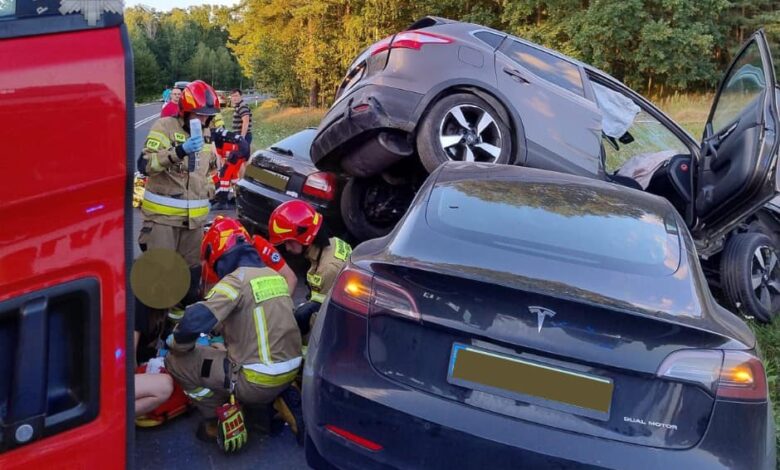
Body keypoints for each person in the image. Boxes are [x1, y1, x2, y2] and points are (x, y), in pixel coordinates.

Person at [165, 216, 303, 451]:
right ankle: (274, 398)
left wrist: (177, 345)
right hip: (290, 370)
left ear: (217, 254)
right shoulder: (273, 276)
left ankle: (214, 417)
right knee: (221, 351)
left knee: (176, 361)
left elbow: (193, 322)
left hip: (255, 381)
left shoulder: (236, 280)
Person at [139, 79, 220, 321]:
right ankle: (149, 339)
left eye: (208, 116)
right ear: (185, 111)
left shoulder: (206, 135)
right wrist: (178, 152)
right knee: (159, 282)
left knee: (189, 283)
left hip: (193, 225)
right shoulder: (164, 127)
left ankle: (176, 334)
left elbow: (211, 171)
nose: (204, 120)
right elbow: (145, 165)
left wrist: (210, 190)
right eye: (200, 114)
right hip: (163, 222)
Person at [264, 200, 352, 334]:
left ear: (304, 235)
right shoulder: (333, 243)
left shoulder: (328, 269)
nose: (287, 248)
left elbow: (322, 319)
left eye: (288, 242)